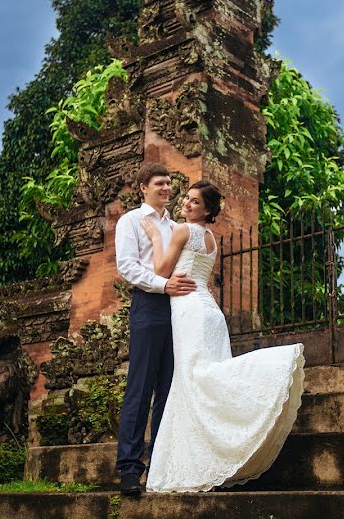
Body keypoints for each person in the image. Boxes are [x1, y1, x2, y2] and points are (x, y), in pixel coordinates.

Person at [140, 180, 305, 492]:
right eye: (187, 199)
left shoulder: (183, 231)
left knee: (195, 379)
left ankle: (272, 371)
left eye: (195, 203)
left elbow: (161, 270)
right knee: (201, 378)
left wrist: (153, 237)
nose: (187, 205)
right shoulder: (210, 238)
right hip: (210, 313)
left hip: (190, 311)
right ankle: (205, 457)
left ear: (208, 210)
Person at [114, 162, 197, 496]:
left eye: (169, 183)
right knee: (140, 386)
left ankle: (160, 465)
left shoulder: (176, 226)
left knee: (168, 387)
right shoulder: (131, 221)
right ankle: (130, 470)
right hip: (148, 306)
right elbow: (127, 267)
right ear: (142, 187)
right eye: (159, 183)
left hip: (177, 308)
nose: (166, 188)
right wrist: (162, 285)